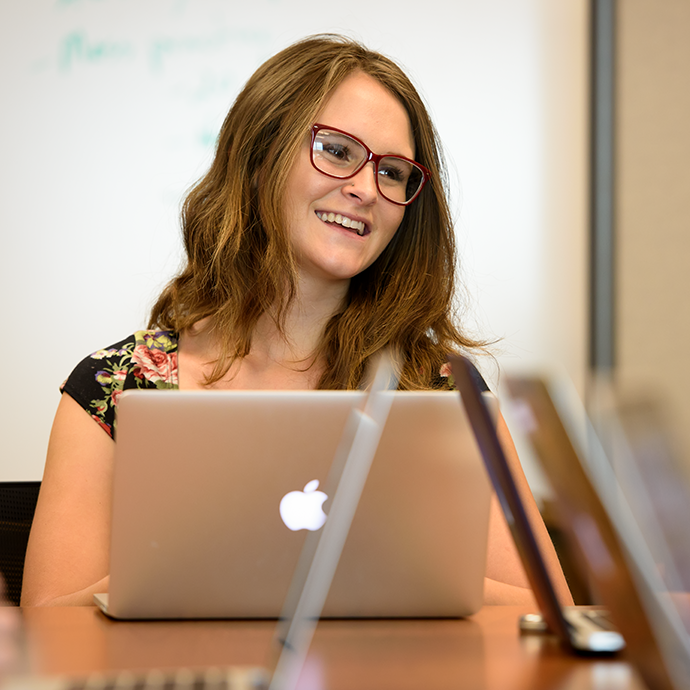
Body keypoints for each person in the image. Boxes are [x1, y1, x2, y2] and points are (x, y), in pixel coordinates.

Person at [21, 34, 572, 608]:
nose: (364, 189)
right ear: (258, 162)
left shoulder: (439, 392)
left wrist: (373, 563)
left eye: (393, 172)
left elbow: (549, 615)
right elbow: (46, 631)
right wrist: (189, 562)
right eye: (336, 151)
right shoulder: (111, 387)